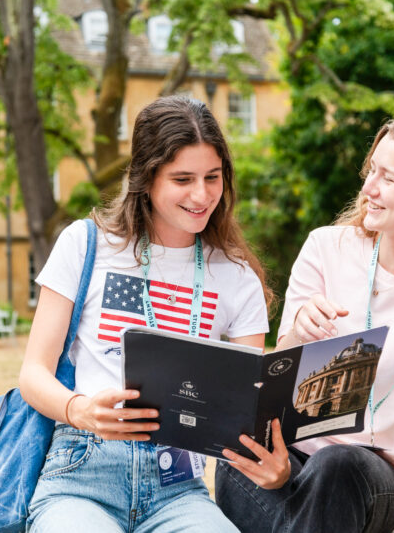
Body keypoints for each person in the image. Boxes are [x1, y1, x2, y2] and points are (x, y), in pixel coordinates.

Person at [215, 111, 394, 533]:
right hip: (286, 458)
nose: (368, 188)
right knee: (237, 459)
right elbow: (276, 377)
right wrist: (300, 328)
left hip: (366, 473)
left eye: (388, 178)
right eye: (371, 170)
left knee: (334, 466)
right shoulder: (325, 248)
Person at [20, 95, 273, 533]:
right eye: (182, 179)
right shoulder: (86, 244)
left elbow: (245, 405)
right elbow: (32, 374)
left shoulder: (236, 276)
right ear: (145, 177)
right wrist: (79, 409)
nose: (202, 194)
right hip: (82, 472)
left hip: (178, 486)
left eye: (213, 177)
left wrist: (272, 464)